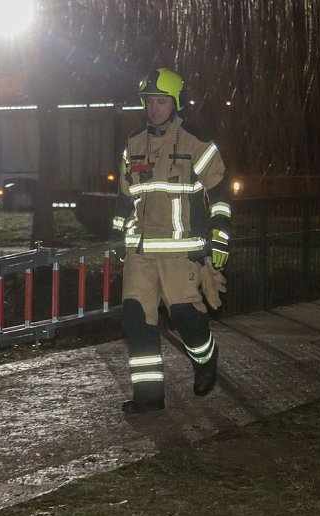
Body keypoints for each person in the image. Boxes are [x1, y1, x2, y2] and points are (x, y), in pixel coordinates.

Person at [111, 68, 231, 413]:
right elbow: (123, 197)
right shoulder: (133, 144)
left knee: (186, 318)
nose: (154, 109)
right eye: (149, 102)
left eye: (161, 102)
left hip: (182, 253)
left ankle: (206, 358)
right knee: (137, 320)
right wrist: (118, 233)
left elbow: (221, 193)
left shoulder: (197, 142)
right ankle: (149, 398)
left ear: (175, 103)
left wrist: (220, 239)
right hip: (140, 254)